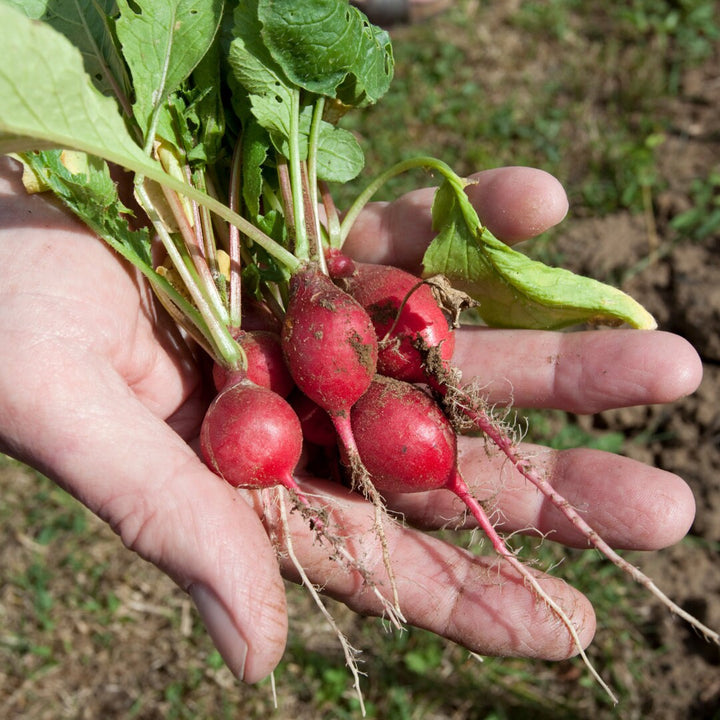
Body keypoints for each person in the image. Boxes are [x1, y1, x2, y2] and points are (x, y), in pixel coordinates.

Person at [0, 155, 701, 683]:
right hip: (266, 335)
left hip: (315, 293)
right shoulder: (259, 363)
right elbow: (324, 367)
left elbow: (346, 355)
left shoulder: (334, 309)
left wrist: (332, 304)